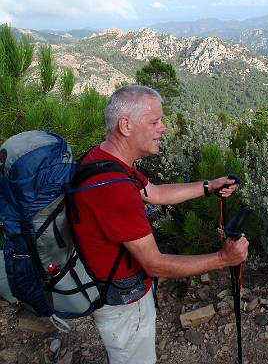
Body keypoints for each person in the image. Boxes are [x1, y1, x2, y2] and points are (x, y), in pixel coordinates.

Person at [73, 84, 249, 364]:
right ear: (126, 125)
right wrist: (223, 258)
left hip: (110, 289)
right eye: (155, 121)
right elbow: (154, 264)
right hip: (123, 304)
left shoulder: (105, 160)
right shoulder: (113, 190)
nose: (163, 128)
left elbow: (154, 194)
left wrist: (209, 186)